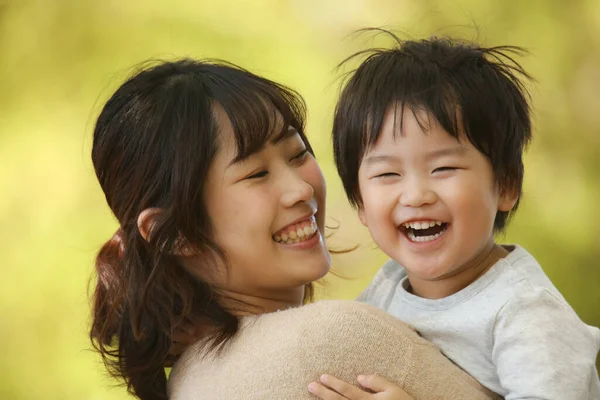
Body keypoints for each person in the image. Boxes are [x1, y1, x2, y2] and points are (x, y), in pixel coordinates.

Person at [89, 58, 500, 400]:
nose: (301, 188)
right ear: (176, 233)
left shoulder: (188, 380)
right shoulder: (329, 341)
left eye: (298, 153)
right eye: (256, 174)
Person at [310, 32, 600, 399]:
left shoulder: (526, 312)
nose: (416, 195)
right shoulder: (386, 287)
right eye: (387, 174)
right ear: (361, 205)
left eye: (444, 168)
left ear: (506, 186)